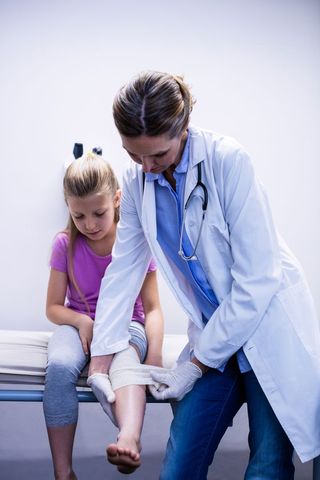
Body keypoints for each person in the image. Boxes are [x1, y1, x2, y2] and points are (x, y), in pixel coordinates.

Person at [88, 70, 320, 480]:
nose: (147, 166)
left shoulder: (227, 161)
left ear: (183, 129)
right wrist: (99, 362)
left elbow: (258, 280)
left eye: (157, 155)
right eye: (133, 154)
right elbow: (123, 270)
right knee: (179, 464)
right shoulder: (137, 180)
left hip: (264, 324)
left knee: (266, 465)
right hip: (215, 333)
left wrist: (194, 364)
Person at [43, 151, 164, 480]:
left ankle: (128, 439)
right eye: (79, 216)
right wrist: (82, 322)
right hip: (79, 323)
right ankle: (63, 472)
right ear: (69, 207)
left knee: (126, 367)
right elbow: (53, 307)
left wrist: (153, 356)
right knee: (59, 367)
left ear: (117, 199)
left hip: (127, 325)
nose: (90, 225)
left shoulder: (133, 243)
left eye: (99, 213)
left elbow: (152, 308)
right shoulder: (65, 244)